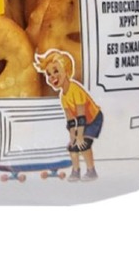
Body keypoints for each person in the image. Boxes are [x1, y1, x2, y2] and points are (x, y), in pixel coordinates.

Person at [34, 48, 103, 182]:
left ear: (66, 71)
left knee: (84, 145)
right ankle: (76, 171)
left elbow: (81, 117)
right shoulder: (63, 96)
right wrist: (73, 138)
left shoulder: (75, 89)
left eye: (56, 71)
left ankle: (91, 171)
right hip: (83, 121)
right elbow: (71, 120)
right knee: (73, 147)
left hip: (94, 118)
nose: (52, 76)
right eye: (48, 74)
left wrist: (80, 136)